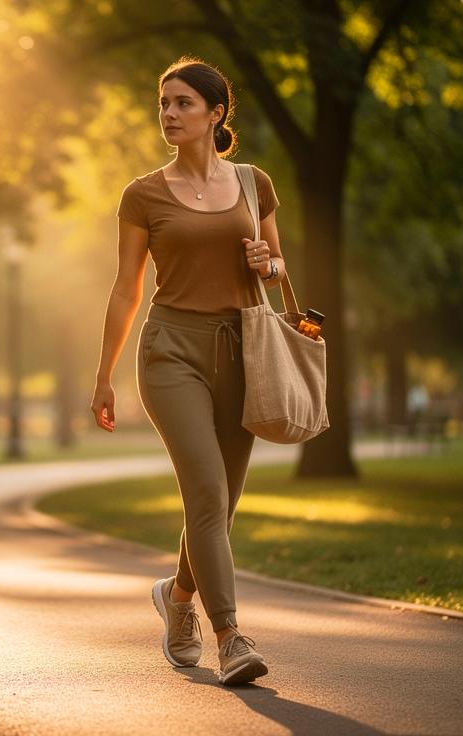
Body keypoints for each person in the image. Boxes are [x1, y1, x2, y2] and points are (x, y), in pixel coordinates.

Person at [89, 56, 287, 686]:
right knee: (204, 492)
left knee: (219, 504)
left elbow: (280, 268)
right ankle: (231, 636)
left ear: (215, 113)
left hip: (243, 350)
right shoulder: (142, 194)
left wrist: (268, 264)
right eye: (163, 104)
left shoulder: (255, 184)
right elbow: (126, 288)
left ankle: (177, 602)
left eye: (182, 104)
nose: (168, 114)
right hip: (171, 349)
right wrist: (103, 375)